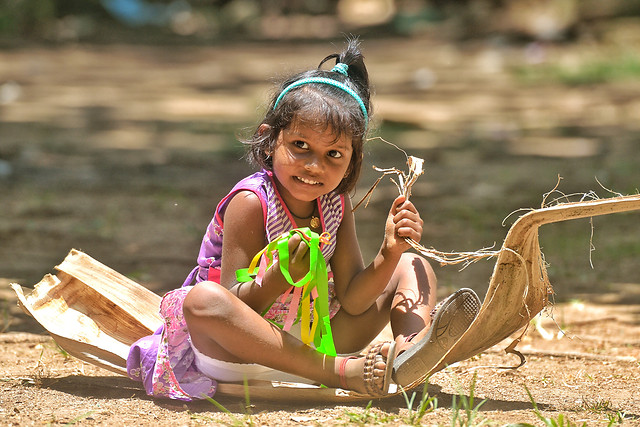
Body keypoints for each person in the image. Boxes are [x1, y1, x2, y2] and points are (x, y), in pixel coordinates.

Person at [127, 38, 480, 401]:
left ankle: (411, 354)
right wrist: (279, 277)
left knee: (413, 265)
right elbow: (237, 304)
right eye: (300, 146)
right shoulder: (252, 202)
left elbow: (354, 301)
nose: (315, 166)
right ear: (269, 140)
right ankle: (341, 373)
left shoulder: (335, 204)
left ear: (352, 160)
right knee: (203, 300)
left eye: (334, 154)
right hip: (241, 349)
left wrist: (389, 253)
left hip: (319, 334)